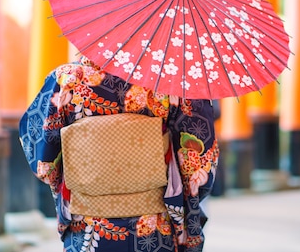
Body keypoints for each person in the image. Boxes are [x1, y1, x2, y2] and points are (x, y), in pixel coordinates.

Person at [19, 55, 219, 252]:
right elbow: (198, 165)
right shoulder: (171, 80)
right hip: (154, 228)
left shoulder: (66, 78)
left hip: (88, 227)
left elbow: (44, 162)